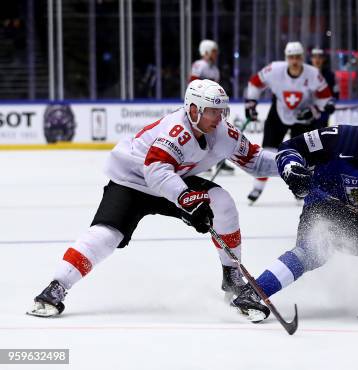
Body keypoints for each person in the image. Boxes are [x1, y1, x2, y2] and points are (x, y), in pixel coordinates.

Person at [28, 79, 278, 318]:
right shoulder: (176, 130)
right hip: (133, 180)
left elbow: (256, 161)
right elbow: (155, 169)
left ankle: (232, 275)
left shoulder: (223, 132)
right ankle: (57, 286)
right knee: (106, 235)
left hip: (173, 179)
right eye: (212, 111)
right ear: (193, 109)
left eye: (221, 111)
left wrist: (290, 164)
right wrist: (187, 199)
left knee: (222, 203)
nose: (219, 117)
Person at [231, 96, 358, 321]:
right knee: (315, 249)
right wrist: (293, 169)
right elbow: (289, 149)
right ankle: (250, 295)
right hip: (321, 213)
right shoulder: (339, 137)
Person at [244, 41, 334, 204]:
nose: (294, 61)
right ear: (286, 58)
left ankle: (301, 188)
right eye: (291, 57)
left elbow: (325, 99)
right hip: (278, 114)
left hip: (303, 117)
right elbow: (255, 83)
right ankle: (257, 187)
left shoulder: (312, 73)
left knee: (304, 155)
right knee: (268, 151)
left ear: (302, 58)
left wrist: (318, 109)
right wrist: (251, 102)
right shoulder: (274, 69)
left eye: (298, 57)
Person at [189, 39, 234, 175]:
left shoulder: (214, 69)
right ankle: (200, 161)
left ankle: (218, 161)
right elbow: (192, 84)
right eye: (214, 51)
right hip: (201, 107)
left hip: (211, 108)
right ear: (206, 51)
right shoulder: (199, 65)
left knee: (217, 132)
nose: (216, 54)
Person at [310, 47, 338, 129]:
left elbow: (335, 93)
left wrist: (331, 103)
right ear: (311, 59)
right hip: (308, 112)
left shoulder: (330, 75)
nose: (317, 59)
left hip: (323, 112)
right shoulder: (304, 74)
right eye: (315, 57)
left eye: (320, 57)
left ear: (324, 59)